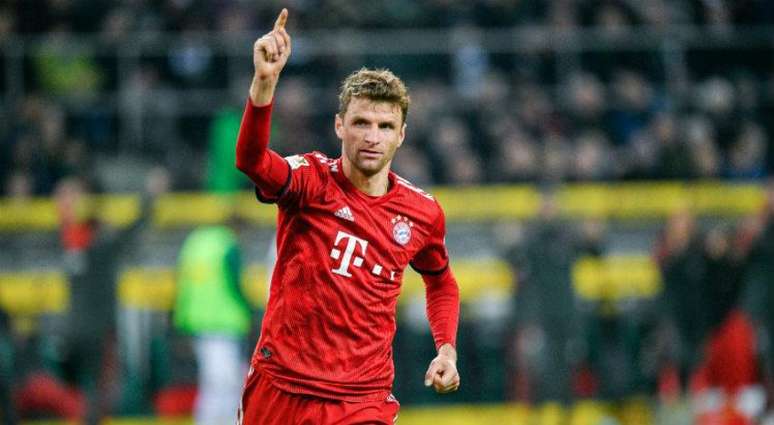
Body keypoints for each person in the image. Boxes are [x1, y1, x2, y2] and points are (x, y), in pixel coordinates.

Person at [234, 9, 461, 424]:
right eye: (360, 122)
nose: (372, 137)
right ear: (339, 125)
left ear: (402, 134)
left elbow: (441, 282)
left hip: (361, 398)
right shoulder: (310, 180)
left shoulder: (422, 213)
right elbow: (251, 161)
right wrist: (264, 84)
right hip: (282, 385)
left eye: (385, 126)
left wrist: (446, 347)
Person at [174, 221, 251, 425]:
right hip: (224, 324)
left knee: (211, 384)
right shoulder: (227, 246)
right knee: (224, 385)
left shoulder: (196, 243)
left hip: (198, 322)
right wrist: (248, 311)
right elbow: (235, 284)